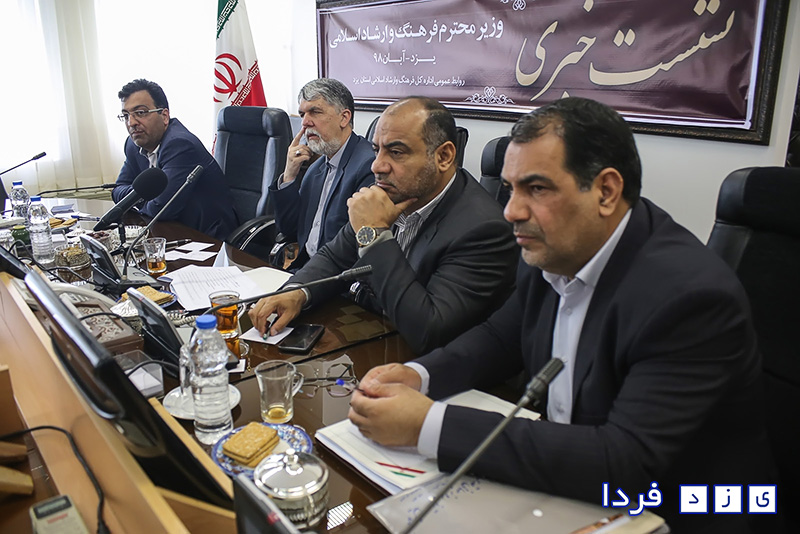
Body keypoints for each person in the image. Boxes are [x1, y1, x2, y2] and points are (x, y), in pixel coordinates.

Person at [347, 98, 778, 533]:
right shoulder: (554, 248)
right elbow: (499, 338)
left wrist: (428, 426)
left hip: (685, 507)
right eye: (511, 189)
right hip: (575, 482)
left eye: (536, 189)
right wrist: (419, 375)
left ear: (606, 192)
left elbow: (625, 461)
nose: (512, 211)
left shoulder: (691, 298)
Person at [250, 97, 517, 355]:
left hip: (431, 365)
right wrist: (298, 292)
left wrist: (375, 234)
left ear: (444, 156)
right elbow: (334, 257)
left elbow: (429, 330)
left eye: (396, 152)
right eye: (377, 150)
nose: (377, 165)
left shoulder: (483, 230)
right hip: (373, 340)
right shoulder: (394, 192)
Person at [269, 78, 375, 269]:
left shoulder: (368, 165)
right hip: (306, 268)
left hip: (335, 276)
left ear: (344, 118)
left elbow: (358, 247)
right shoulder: (316, 169)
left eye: (315, 112)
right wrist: (289, 175)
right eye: (302, 114)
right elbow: (289, 229)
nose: (305, 123)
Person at [112, 79, 236, 240]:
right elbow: (117, 191)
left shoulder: (180, 145)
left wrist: (135, 199)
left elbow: (161, 209)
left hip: (207, 238)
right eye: (126, 115)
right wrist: (145, 197)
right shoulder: (133, 144)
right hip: (170, 232)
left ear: (164, 116)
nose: (131, 123)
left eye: (140, 113)